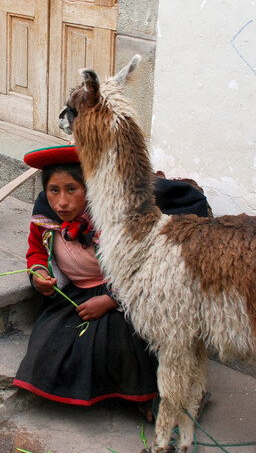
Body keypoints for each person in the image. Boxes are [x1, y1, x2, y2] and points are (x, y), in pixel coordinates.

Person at [13, 145, 160, 416]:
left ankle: (141, 394)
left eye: (72, 189)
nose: (62, 202)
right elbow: (35, 251)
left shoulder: (114, 220)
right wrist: (40, 275)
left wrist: (108, 301)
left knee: (117, 332)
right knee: (50, 336)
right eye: (54, 191)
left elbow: (139, 267)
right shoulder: (44, 220)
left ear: (90, 189)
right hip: (76, 294)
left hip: (122, 294)